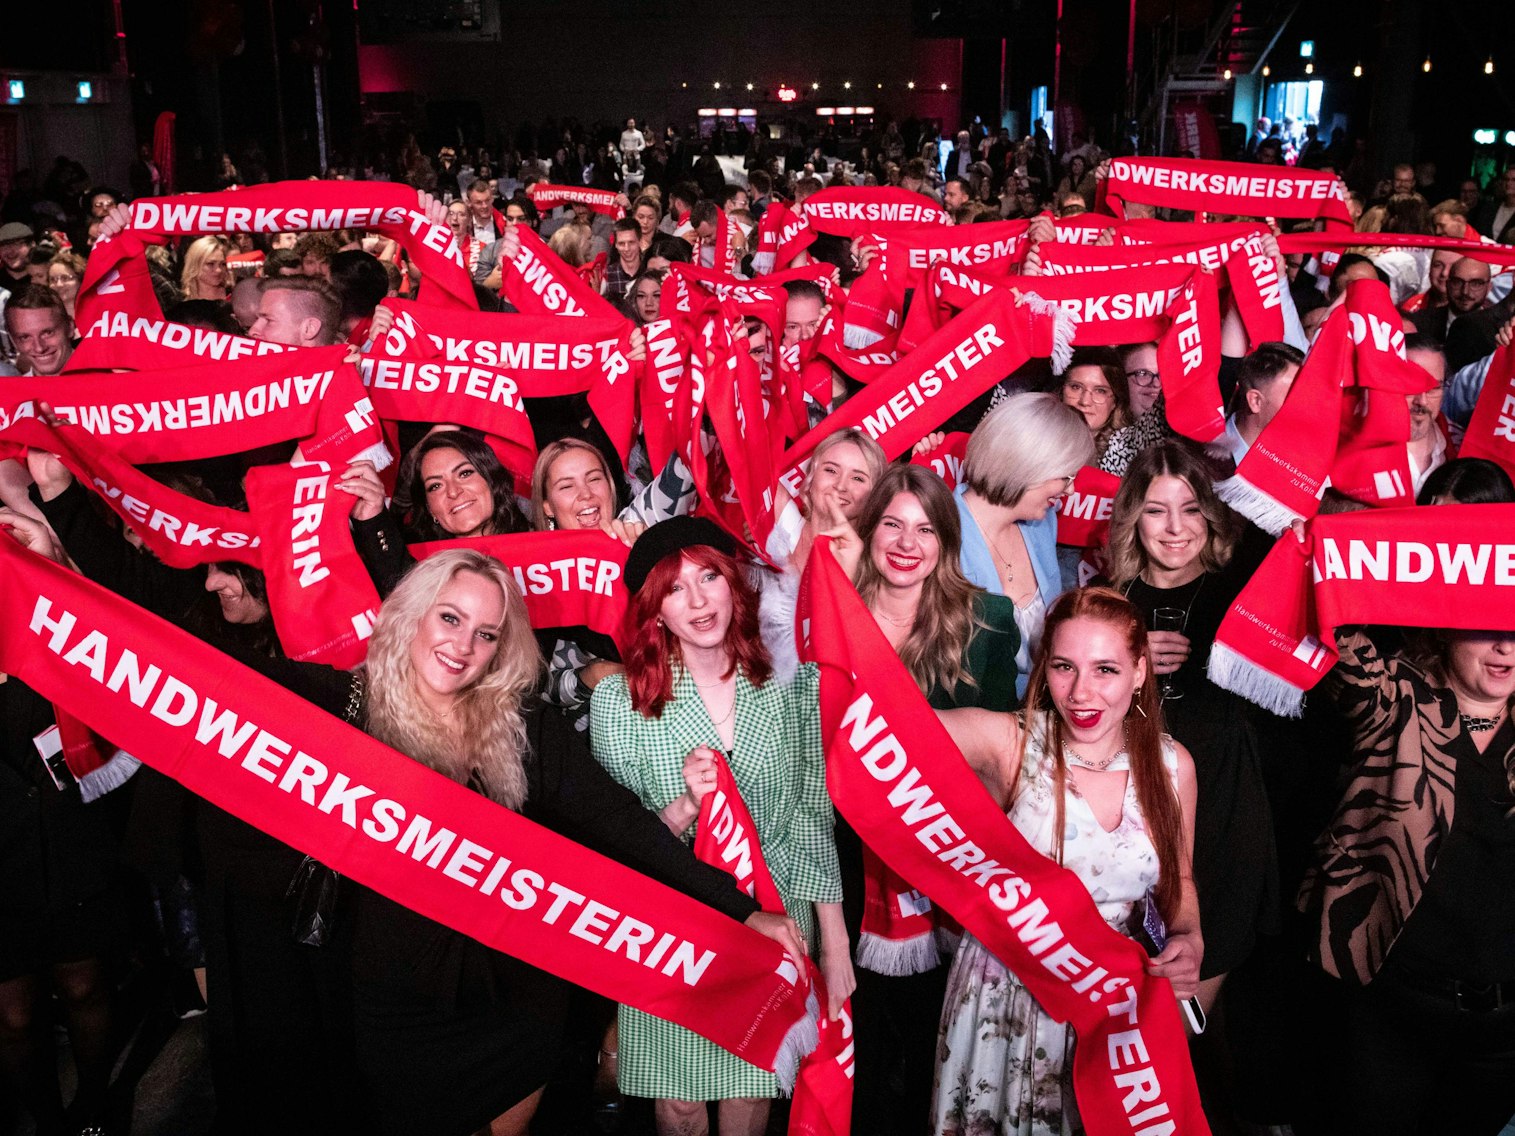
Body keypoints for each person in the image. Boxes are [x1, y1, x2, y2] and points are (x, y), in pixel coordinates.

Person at [590, 517, 847, 1136]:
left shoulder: (795, 687)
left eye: (710, 577)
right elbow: (615, 847)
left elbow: (812, 819)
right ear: (654, 611)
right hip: (672, 924)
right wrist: (683, 806)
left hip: (774, 918)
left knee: (750, 1088)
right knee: (679, 1103)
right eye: (675, 589)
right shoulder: (618, 705)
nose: (699, 601)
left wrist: (836, 947)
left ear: (736, 583)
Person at [930, 587, 1201, 1136]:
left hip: (1112, 1010)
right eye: (1063, 667)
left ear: (1140, 671)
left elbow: (1180, 881)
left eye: (1105, 669)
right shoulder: (1011, 741)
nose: (1081, 692)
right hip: (1007, 999)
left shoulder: (1172, 766)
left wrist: (1190, 936)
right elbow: (884, 723)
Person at [1299, 614, 1515, 1135]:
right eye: (1487, 624)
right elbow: (1337, 634)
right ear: (1443, 626)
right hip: (1390, 1008)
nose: (1506, 646)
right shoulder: (1397, 697)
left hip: (1504, 1030)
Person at [1105, 441, 1277, 1009]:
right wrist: (1122, 658)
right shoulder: (1109, 603)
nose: (1175, 527)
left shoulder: (1244, 594)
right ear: (1134, 518)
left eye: (1190, 508)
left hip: (1222, 823)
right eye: (1156, 510)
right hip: (1128, 826)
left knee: (1183, 1022)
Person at [953, 392, 1095, 694]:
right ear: (1029, 466)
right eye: (1066, 476)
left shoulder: (1042, 524)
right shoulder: (940, 533)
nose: (1070, 491)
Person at [758, 427, 887, 681]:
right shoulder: (783, 524)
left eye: (858, 478)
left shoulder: (877, 565)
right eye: (831, 470)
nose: (841, 485)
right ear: (809, 479)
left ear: (874, 496)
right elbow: (745, 449)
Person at [1220, 343, 1305, 467]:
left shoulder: (1303, 460)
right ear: (1255, 401)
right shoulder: (1202, 468)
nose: (1306, 408)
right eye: (1294, 397)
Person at [179, 234, 231, 301]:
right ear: (195, 264)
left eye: (223, 264)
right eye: (210, 264)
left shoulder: (234, 296)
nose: (219, 270)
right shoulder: (181, 304)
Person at [45, 250, 85, 324]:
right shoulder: (46, 319)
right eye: (53, 280)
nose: (59, 284)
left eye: (65, 278)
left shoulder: (95, 314)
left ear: (80, 279)